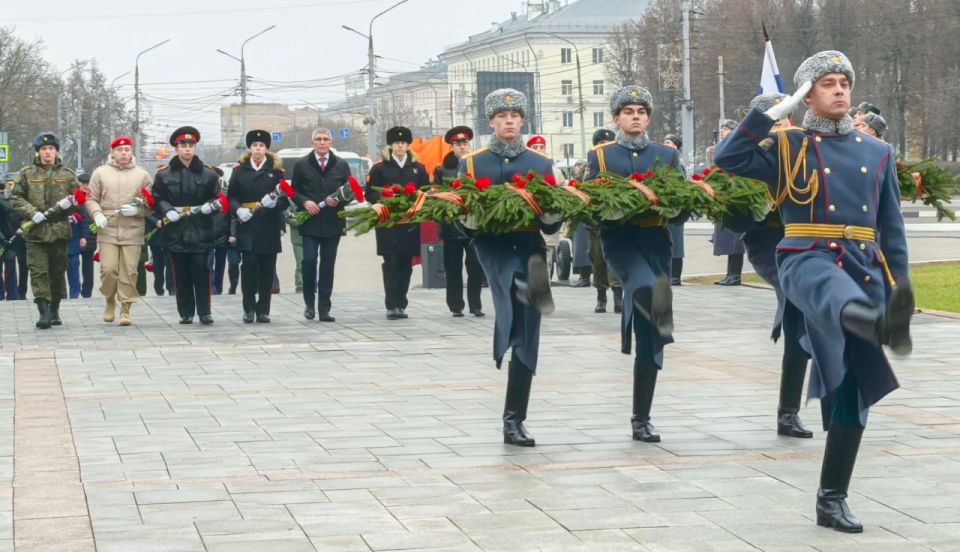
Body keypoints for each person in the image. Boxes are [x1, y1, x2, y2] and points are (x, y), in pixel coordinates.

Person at [715, 51, 913, 533]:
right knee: (835, 295)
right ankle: (857, 318)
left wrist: (900, 294)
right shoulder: (789, 145)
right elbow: (728, 158)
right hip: (806, 258)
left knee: (853, 389)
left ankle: (831, 498)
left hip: (863, 267)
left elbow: (892, 230)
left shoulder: (877, 152)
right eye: (827, 83)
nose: (840, 89)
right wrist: (772, 114)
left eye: (845, 81)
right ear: (808, 94)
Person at [459, 88, 560, 447]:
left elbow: (549, 225)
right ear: (491, 122)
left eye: (515, 116)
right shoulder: (473, 163)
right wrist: (467, 218)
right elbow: (458, 217)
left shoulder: (540, 163)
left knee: (530, 327)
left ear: (522, 120)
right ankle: (513, 417)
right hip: (495, 248)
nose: (509, 122)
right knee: (518, 295)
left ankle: (514, 419)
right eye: (502, 117)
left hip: (531, 247)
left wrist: (556, 209)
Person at [587, 85, 681, 443]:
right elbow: (589, 206)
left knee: (651, 337)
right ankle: (640, 313)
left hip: (657, 242)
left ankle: (641, 418)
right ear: (616, 119)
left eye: (641, 111)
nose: (636, 116)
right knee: (643, 288)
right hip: (621, 243)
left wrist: (672, 207)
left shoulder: (666, 156)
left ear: (649, 118)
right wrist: (613, 211)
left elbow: (681, 203)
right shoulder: (602, 156)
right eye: (628, 111)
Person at [729, 93, 813, 439]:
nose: (779, 126)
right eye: (772, 119)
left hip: (810, 245)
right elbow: (732, 219)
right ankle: (789, 411)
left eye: (784, 118)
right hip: (770, 245)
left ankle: (790, 411)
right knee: (797, 305)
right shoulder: (750, 159)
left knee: (803, 321)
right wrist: (756, 207)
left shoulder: (808, 150)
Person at [9, 131, 79, 328]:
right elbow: (16, 198)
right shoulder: (26, 173)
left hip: (59, 232)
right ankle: (44, 312)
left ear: (56, 152)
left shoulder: (67, 175)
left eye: (51, 149)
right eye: (44, 149)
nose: (48, 152)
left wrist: (71, 204)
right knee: (38, 272)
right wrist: (32, 213)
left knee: (57, 272)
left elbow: (79, 200)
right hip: (36, 234)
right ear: (38, 152)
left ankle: (55, 309)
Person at [152, 126, 221, 325]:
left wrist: (210, 207)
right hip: (176, 230)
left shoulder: (208, 174)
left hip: (201, 229)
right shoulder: (164, 175)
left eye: (191, 145)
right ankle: (186, 312)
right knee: (180, 273)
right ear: (176, 148)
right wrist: (167, 210)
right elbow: (157, 197)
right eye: (183, 145)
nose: (187, 149)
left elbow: (217, 198)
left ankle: (205, 311)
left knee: (201, 270)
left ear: (195, 148)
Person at [86, 136, 153, 325]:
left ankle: (126, 308)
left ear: (132, 153)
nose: (124, 153)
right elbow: (91, 199)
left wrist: (139, 210)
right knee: (108, 269)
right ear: (113, 153)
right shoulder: (100, 173)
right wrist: (97, 214)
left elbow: (150, 203)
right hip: (108, 228)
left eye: (127, 150)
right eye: (120, 150)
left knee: (129, 271)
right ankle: (109, 300)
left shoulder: (142, 175)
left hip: (132, 229)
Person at [365, 126, 429, 320]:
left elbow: (426, 190)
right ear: (391, 146)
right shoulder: (379, 168)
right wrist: (384, 196)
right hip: (388, 223)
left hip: (410, 223)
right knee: (391, 263)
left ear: (408, 145)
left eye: (403, 143)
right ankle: (392, 304)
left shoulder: (418, 168)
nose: (400, 146)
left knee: (405, 265)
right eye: (396, 143)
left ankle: (402, 302)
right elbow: (369, 192)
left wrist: (417, 197)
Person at [291, 128, 352, 322]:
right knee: (308, 261)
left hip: (333, 222)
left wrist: (340, 201)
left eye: (326, 139)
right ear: (312, 143)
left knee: (327, 265)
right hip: (310, 221)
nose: (322, 142)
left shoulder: (341, 165)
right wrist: (305, 203)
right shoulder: (301, 165)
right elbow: (294, 191)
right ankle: (309, 303)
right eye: (318, 139)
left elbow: (350, 191)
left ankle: (324, 308)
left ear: (331, 143)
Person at [229, 130, 289, 323]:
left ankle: (263, 309)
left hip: (268, 224)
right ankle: (248, 308)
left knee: (267, 268)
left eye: (261, 145)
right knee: (249, 266)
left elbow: (285, 200)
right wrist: (238, 210)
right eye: (254, 145)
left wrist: (276, 204)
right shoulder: (239, 171)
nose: (258, 149)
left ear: (266, 149)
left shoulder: (276, 171)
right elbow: (231, 196)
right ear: (250, 148)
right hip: (247, 224)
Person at [434, 125, 483, 317]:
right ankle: (455, 305)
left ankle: (476, 305)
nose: (462, 146)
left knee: (476, 267)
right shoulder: (442, 170)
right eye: (458, 144)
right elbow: (437, 195)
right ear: (452, 146)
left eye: (465, 143)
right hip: (451, 226)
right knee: (453, 269)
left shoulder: (477, 165)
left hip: (474, 227)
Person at [585, 128, 623, 312]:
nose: (604, 147)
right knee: (597, 259)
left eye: (607, 144)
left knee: (615, 258)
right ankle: (601, 297)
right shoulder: (591, 164)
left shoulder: (619, 165)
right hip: (596, 222)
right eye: (600, 144)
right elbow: (584, 188)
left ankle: (618, 296)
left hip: (617, 221)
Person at [661, 133, 687, 286]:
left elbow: (681, 185)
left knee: (677, 244)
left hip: (675, 207)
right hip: (664, 208)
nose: (665, 145)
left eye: (669, 142)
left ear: (676, 147)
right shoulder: (663, 163)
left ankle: (676, 276)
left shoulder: (678, 164)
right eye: (664, 142)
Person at [76, 173, 96, 298]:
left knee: (88, 265)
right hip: (75, 235)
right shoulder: (74, 197)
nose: (84, 186)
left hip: (91, 236)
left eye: (87, 184)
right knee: (73, 263)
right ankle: (75, 289)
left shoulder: (93, 197)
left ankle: (87, 291)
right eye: (82, 183)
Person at [0, 180, 20, 300]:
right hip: (12, 239)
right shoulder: (12, 202)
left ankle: (0, 294)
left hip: (2, 240)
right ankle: (12, 294)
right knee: (11, 266)